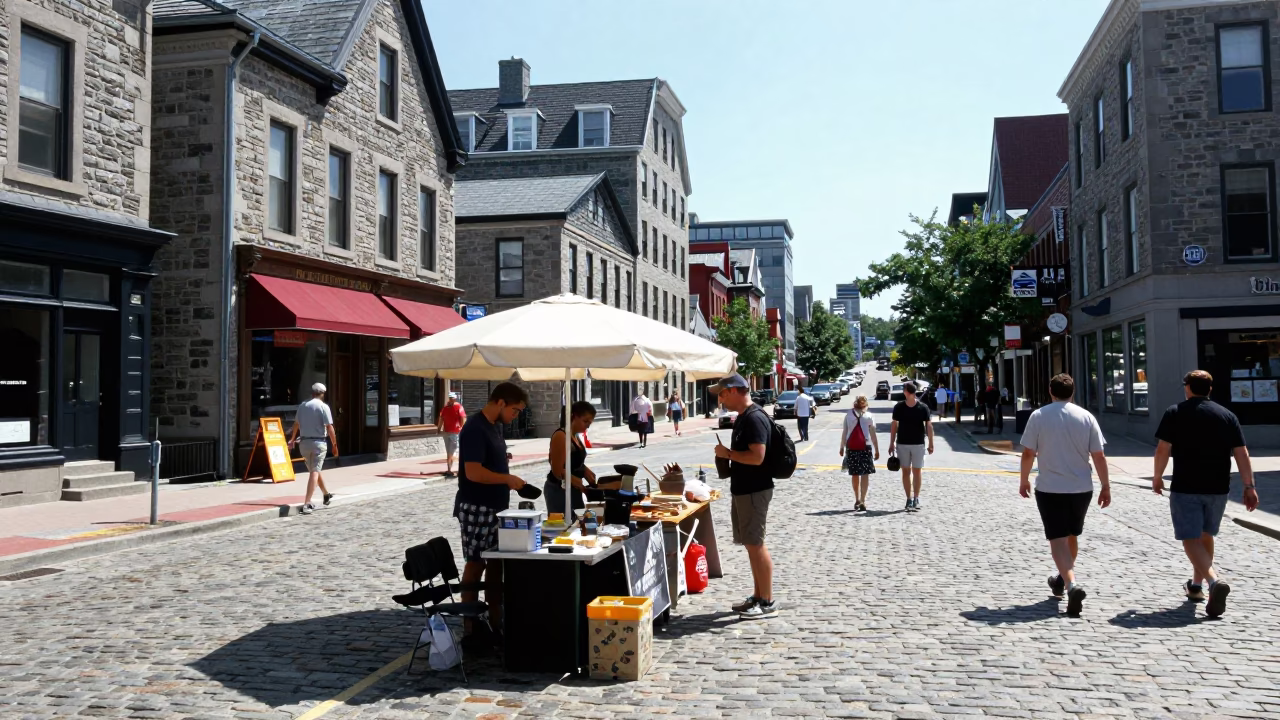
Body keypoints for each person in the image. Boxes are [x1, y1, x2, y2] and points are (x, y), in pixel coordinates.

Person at [1153, 370, 1260, 618]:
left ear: (1188, 387)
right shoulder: (1226, 415)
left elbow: (1163, 449)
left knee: (1190, 538)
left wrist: (1157, 476)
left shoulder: (1175, 412)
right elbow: (1241, 453)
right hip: (1218, 488)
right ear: (1210, 389)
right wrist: (1249, 486)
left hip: (1186, 485)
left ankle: (1213, 581)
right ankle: (1197, 587)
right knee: (1206, 535)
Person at [1017, 374, 1110, 618]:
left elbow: (1028, 452)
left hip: (1050, 487)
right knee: (1072, 534)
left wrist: (1024, 479)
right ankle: (1062, 578)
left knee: (1057, 539)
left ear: (1051, 391)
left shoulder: (1039, 416)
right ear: (1073, 391)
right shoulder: (1086, 416)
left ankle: (1071, 585)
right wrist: (1106, 486)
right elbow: (1098, 455)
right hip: (1081, 488)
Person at [455, 382, 530, 643]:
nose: (516, 415)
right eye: (515, 410)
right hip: (477, 506)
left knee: (497, 561)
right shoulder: (475, 428)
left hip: (496, 507)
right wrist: (506, 479)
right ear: (500, 402)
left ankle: (496, 618)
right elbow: (473, 472)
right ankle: (470, 624)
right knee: (476, 563)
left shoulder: (496, 427)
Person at [710, 373, 778, 619]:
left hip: (754, 489)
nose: (720, 398)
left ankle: (767, 601)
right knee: (751, 545)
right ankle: (758, 596)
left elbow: (757, 457)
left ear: (736, 390)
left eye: (723, 392)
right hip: (743, 489)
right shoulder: (742, 418)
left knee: (756, 544)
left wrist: (727, 454)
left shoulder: (754, 418)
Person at [287, 382, 338, 515]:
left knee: (315, 469)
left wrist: (292, 439)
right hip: (318, 443)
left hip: (304, 444)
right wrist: (334, 445)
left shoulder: (303, 406)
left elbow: (296, 424)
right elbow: (329, 427)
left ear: (312, 393)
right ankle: (307, 503)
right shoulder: (323, 407)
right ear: (322, 394)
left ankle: (326, 494)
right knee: (314, 472)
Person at [545, 401, 598, 521]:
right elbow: (557, 470)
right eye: (585, 421)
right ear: (573, 416)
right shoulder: (561, 436)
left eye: (590, 423)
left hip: (573, 489)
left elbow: (572, 460)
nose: (588, 426)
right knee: (563, 526)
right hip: (559, 490)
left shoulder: (575, 435)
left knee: (577, 523)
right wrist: (576, 481)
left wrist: (584, 469)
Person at [888, 382, 933, 512]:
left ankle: (916, 498)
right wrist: (892, 442)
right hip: (902, 443)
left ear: (908, 392)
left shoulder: (923, 408)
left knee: (917, 471)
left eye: (904, 390)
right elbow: (894, 425)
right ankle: (909, 498)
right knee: (906, 472)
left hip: (918, 443)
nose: (903, 392)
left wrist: (931, 443)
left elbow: (928, 426)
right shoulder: (899, 407)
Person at [840, 394, 879, 512]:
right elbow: (873, 434)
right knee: (865, 474)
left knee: (855, 473)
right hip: (865, 447)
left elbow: (845, 431)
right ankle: (863, 500)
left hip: (851, 447)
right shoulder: (869, 416)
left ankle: (856, 498)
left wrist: (842, 447)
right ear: (865, 405)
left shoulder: (849, 415)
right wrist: (877, 449)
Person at [438, 392, 466, 478]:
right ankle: (449, 469)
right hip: (447, 432)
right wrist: (439, 428)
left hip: (455, 432)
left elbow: (463, 418)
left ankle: (458, 470)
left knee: (453, 451)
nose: (451, 399)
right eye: (450, 398)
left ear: (455, 399)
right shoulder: (445, 408)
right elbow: (441, 418)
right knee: (449, 451)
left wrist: (462, 428)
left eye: (452, 398)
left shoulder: (459, 407)